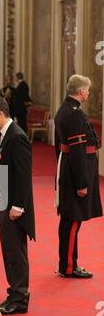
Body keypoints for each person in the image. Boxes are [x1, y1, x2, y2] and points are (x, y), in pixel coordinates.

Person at [0, 96, 35, 314]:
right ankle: (14, 293)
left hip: (14, 206)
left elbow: (24, 176)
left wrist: (18, 206)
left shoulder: (17, 137)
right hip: (4, 201)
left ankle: (20, 298)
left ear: (0, 113)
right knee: (9, 252)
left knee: (16, 253)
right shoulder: (4, 135)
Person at [54, 74, 102, 278]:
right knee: (73, 220)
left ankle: (68, 263)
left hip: (66, 169)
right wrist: (82, 183)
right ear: (81, 92)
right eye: (87, 90)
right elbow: (77, 151)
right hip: (76, 174)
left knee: (68, 220)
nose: (88, 93)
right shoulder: (74, 114)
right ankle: (68, 267)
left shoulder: (65, 109)